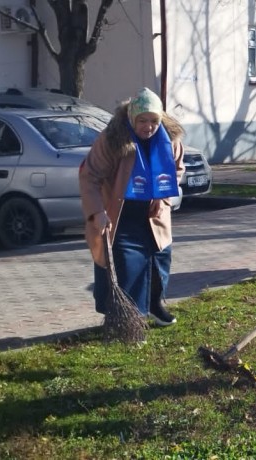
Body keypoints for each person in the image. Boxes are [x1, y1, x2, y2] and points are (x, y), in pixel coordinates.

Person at [79, 87, 185, 326]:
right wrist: (97, 213)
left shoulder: (170, 139)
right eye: (143, 121)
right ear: (131, 119)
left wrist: (165, 196)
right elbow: (89, 177)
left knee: (159, 260)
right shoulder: (113, 140)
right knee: (127, 266)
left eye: (154, 121)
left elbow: (178, 169)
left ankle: (154, 305)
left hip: (154, 212)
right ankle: (126, 317)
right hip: (120, 212)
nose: (149, 126)